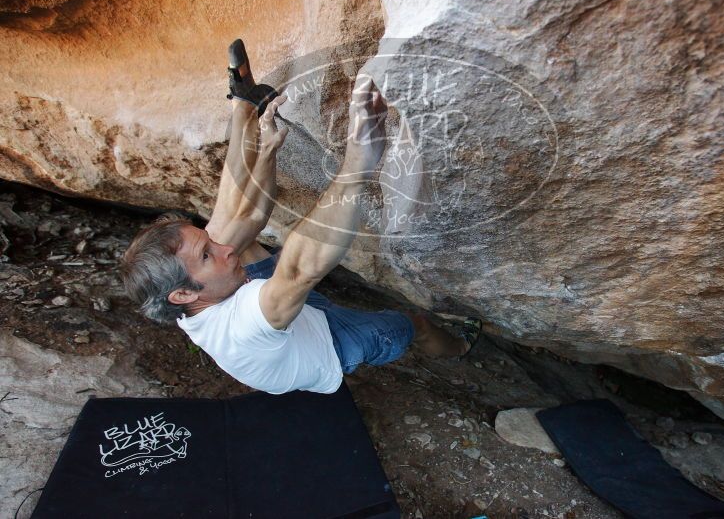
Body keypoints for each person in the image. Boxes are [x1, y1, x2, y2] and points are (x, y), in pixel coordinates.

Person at [120, 39, 481, 395]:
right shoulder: (240, 327)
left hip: (280, 309)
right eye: (206, 256)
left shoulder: (195, 290)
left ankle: (245, 102)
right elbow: (298, 270)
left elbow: (244, 213)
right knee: (412, 324)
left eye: (206, 245)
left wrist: (261, 140)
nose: (222, 250)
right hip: (332, 345)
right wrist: (358, 160)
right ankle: (459, 347)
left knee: (226, 229)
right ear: (182, 294)